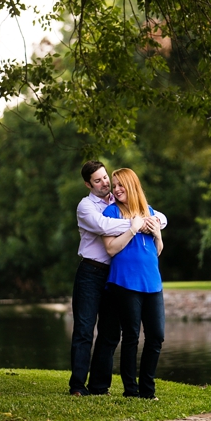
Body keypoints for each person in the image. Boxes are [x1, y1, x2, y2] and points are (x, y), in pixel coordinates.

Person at [70, 161, 167, 396]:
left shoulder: (116, 201)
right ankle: (77, 386)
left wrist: (150, 222)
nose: (105, 184)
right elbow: (104, 226)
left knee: (110, 332)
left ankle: (99, 386)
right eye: (98, 180)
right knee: (84, 329)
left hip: (114, 274)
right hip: (91, 272)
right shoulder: (87, 207)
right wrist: (138, 224)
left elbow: (160, 217)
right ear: (88, 184)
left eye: (106, 178)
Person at [102, 168, 165, 399]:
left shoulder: (148, 211)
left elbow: (157, 251)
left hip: (152, 282)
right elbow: (110, 248)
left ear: (132, 185)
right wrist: (132, 229)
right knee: (131, 337)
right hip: (125, 282)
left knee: (156, 336)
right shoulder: (111, 212)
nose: (116, 190)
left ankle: (148, 390)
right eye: (115, 185)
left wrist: (157, 234)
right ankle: (131, 390)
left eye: (121, 185)